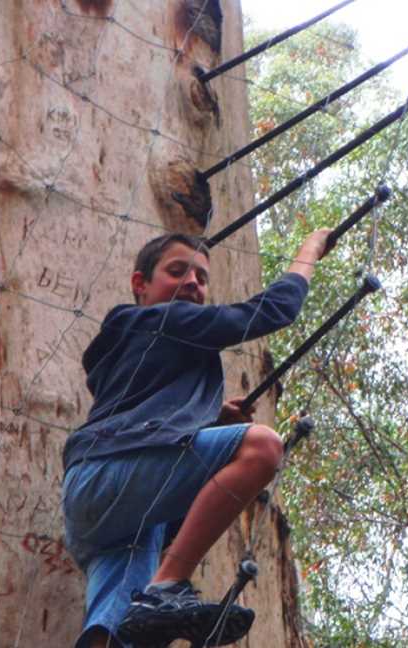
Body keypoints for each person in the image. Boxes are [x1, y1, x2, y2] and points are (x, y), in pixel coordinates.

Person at [62, 229, 333, 647]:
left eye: (202, 279)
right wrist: (309, 253)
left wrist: (211, 419)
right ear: (141, 285)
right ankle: (168, 584)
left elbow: (144, 408)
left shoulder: (127, 344)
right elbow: (271, 311)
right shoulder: (160, 317)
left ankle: (147, 604)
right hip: (114, 477)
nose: (192, 282)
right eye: (177, 272)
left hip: (105, 505)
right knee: (261, 447)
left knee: (122, 634)